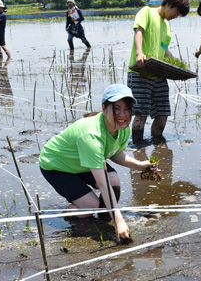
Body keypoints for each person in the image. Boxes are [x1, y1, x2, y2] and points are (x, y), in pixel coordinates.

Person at [39, 84, 158, 241]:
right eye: (116, 108)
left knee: (114, 179)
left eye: (127, 109)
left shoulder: (123, 127)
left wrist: (139, 165)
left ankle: (105, 214)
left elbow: (114, 152)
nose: (122, 115)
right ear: (104, 108)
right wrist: (119, 221)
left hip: (83, 161)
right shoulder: (91, 136)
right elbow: (103, 184)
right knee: (90, 206)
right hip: (57, 165)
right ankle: (69, 212)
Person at [127, 0, 190, 143]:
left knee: (163, 113)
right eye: (176, 12)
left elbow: (165, 49)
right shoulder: (146, 12)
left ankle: (158, 145)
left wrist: (178, 69)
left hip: (158, 74)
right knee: (141, 113)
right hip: (140, 71)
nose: (176, 16)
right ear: (168, 4)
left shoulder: (166, 26)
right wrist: (139, 53)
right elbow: (139, 31)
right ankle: (138, 147)